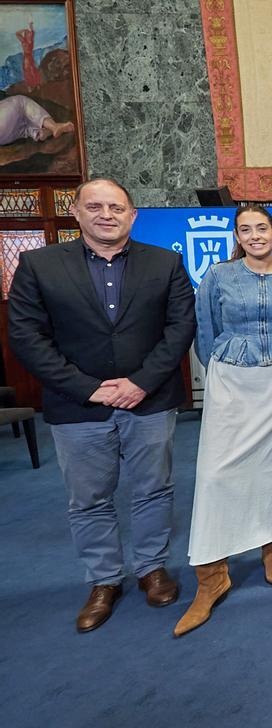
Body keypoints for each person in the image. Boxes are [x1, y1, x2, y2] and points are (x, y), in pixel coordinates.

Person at [6, 178, 195, 632]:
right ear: (77, 211)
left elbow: (179, 327)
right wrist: (87, 388)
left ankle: (151, 568)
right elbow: (27, 337)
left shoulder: (165, 263)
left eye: (116, 207)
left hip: (148, 402)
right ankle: (104, 580)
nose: (106, 214)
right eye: (95, 206)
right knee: (89, 498)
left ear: (132, 215)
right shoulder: (39, 265)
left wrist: (142, 382)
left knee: (154, 487)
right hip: (78, 405)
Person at [173, 205, 272, 637]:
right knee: (216, 475)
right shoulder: (218, 276)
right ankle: (211, 576)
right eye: (244, 230)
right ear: (237, 235)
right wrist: (227, 367)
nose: (254, 235)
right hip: (232, 381)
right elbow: (205, 331)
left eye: (261, 228)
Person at [0, 94, 75, 146]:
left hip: (3, 139)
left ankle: (40, 133)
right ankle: (53, 126)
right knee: (21, 102)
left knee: (23, 127)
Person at [16, 22, 42, 90]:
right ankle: (30, 86)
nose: (29, 35)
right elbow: (17, 33)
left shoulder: (30, 40)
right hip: (26, 57)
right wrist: (24, 30)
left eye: (29, 34)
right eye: (27, 34)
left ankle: (36, 84)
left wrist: (30, 25)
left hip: (29, 57)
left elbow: (32, 31)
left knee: (32, 70)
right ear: (25, 35)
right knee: (28, 71)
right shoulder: (24, 41)